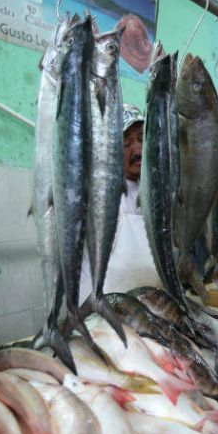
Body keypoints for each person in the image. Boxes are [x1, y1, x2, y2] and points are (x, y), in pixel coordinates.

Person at [79, 104, 161, 299]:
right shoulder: (96, 191)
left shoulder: (154, 193)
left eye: (142, 139)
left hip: (147, 312)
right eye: (126, 143)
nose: (138, 150)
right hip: (99, 316)